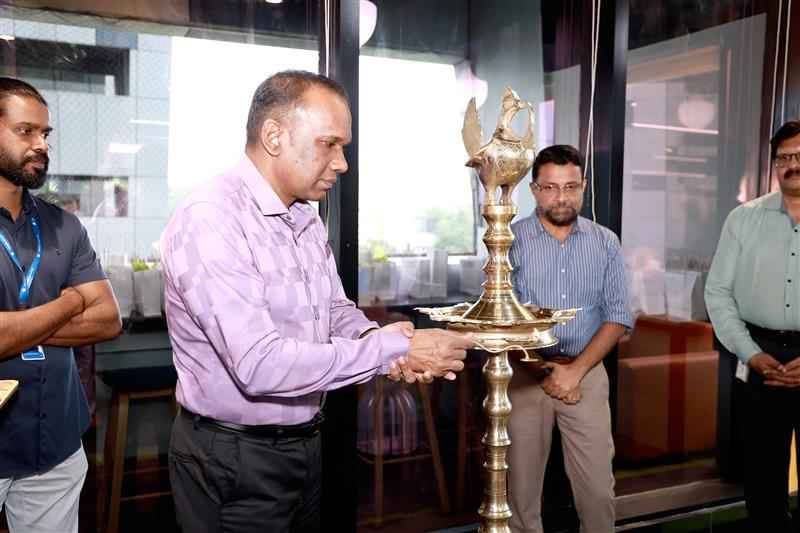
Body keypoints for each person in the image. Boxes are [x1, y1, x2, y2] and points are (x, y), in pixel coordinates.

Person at [160, 70, 473, 533]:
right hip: (236, 456)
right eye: (330, 143)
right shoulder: (212, 219)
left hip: (305, 443)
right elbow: (259, 364)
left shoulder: (303, 217)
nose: (342, 162)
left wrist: (378, 337)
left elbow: (332, 310)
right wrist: (394, 350)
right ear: (273, 136)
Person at [0, 77, 122, 532]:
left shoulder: (62, 225)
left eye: (45, 135)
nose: (41, 145)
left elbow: (108, 319)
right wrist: (71, 301)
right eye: (26, 131)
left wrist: (18, 328)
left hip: (55, 444)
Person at [507, 144, 633, 533]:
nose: (561, 197)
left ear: (583, 187)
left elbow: (618, 316)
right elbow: (502, 320)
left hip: (586, 373)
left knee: (597, 493)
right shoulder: (508, 240)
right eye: (550, 187)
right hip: (525, 374)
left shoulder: (605, 242)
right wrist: (544, 372)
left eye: (571, 186)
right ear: (534, 190)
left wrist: (575, 372)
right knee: (520, 497)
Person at [705, 120, 800, 532]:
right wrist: (751, 353)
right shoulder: (743, 220)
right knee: (762, 484)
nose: (792, 165)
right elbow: (718, 294)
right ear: (774, 164)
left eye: (799, 156)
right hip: (758, 355)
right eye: (784, 158)